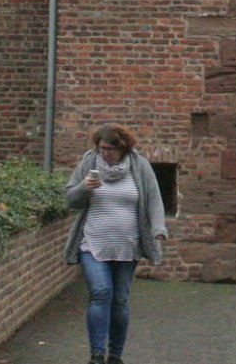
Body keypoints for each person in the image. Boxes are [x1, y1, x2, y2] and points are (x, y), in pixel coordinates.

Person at [63, 123, 167, 364]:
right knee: (101, 292)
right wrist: (83, 188)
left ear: (122, 148)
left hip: (126, 246)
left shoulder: (139, 166)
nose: (105, 154)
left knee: (120, 300)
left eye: (109, 149)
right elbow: (70, 199)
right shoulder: (89, 163)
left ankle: (115, 356)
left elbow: (154, 200)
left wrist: (158, 228)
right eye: (101, 148)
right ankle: (97, 354)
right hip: (93, 243)